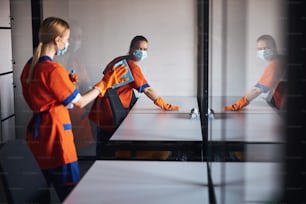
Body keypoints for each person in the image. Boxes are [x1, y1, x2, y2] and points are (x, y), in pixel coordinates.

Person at [20, 17, 128, 201]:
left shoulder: (30, 66)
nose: (68, 43)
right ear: (57, 40)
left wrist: (67, 85)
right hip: (57, 141)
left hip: (37, 140)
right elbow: (79, 103)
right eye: (67, 39)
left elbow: (54, 98)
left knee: (38, 196)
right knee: (73, 195)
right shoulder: (53, 69)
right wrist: (104, 84)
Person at [88, 35, 180, 158]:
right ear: (131, 49)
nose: (141, 52)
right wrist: (164, 105)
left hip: (102, 108)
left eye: (145, 49)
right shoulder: (131, 66)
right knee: (106, 150)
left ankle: (99, 167)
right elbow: (147, 90)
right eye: (138, 48)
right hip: (110, 113)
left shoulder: (119, 60)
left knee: (103, 147)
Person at [224, 34, 286, 111]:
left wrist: (237, 105)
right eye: (260, 49)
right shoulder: (282, 59)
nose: (263, 51)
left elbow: (257, 90)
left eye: (266, 48)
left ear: (275, 48)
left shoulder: (275, 65)